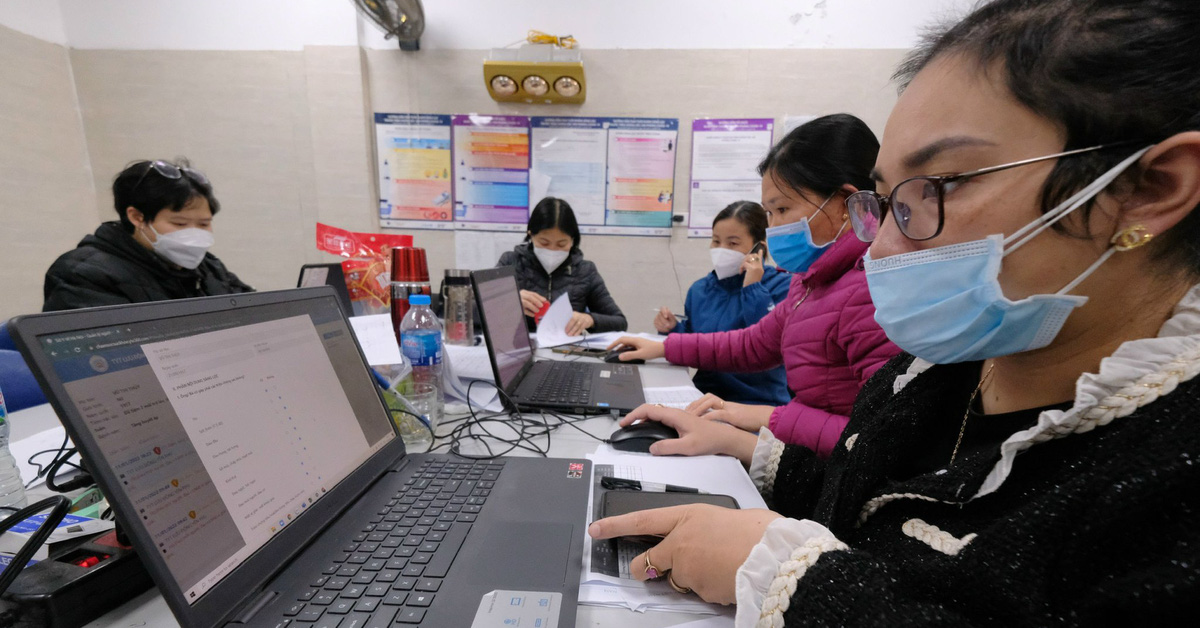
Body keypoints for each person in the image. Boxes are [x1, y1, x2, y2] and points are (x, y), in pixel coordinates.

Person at [589, 0, 1200, 624]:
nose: (880, 247)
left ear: (1147, 191)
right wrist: (752, 450)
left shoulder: (1165, 482)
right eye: (887, 199)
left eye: (941, 185)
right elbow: (873, 483)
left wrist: (795, 581)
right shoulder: (941, 365)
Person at [610, 115, 900, 456]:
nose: (773, 227)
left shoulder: (872, 291)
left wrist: (765, 418)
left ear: (844, 204)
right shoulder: (811, 281)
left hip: (831, 482)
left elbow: (882, 439)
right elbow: (753, 345)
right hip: (806, 460)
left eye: (781, 209)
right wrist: (663, 347)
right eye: (769, 213)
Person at [43, 159, 252, 311]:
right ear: (137, 217)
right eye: (180, 223)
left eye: (204, 224)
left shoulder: (209, 268)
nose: (194, 234)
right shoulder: (82, 275)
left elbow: (255, 313)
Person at [654, 201, 791, 406]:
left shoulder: (782, 286)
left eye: (733, 243)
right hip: (702, 398)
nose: (721, 249)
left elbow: (768, 344)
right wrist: (673, 329)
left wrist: (752, 287)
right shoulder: (700, 290)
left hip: (756, 403)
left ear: (759, 248)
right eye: (716, 241)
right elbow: (696, 346)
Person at [497, 197, 627, 335]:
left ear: (573, 241)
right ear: (530, 235)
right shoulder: (510, 263)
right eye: (544, 243)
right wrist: (508, 300)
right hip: (517, 348)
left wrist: (589, 319)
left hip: (565, 352)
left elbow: (620, 322)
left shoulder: (585, 271)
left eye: (561, 244)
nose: (552, 250)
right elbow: (474, 312)